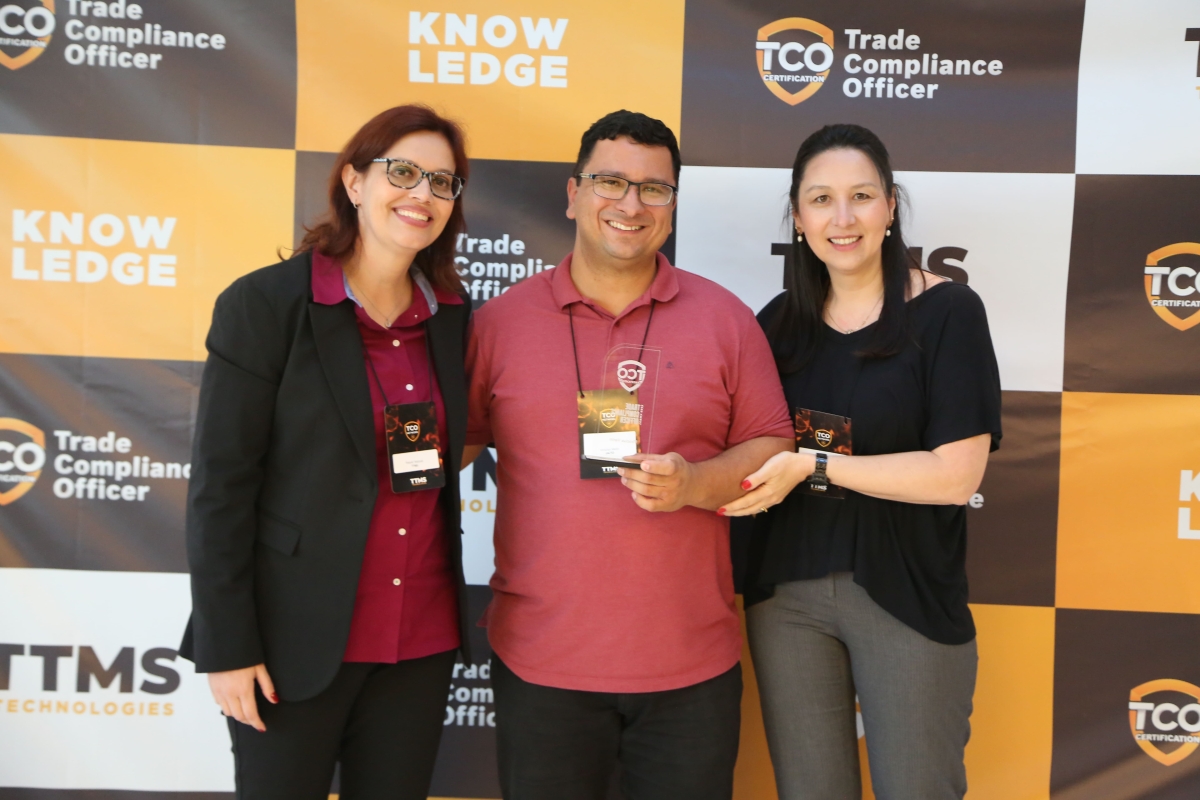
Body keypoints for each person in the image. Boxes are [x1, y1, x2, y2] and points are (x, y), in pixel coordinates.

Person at [462, 109, 794, 800]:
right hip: (541, 664)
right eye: (610, 181)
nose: (631, 204)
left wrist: (695, 482)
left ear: (672, 204)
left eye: (654, 188)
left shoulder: (726, 318)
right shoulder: (498, 324)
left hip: (689, 671)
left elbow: (773, 444)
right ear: (573, 193)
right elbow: (442, 456)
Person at [179, 104, 473, 800]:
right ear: (353, 181)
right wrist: (229, 647)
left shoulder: (453, 316)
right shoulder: (266, 305)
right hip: (291, 642)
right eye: (402, 172)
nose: (422, 193)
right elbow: (221, 488)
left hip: (419, 643)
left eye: (442, 181)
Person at [722, 123, 1002, 800]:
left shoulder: (948, 311)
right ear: (798, 216)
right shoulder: (775, 325)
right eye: (821, 199)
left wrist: (812, 466)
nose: (842, 218)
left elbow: (956, 477)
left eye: (862, 196)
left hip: (904, 593)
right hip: (786, 598)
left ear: (890, 206)